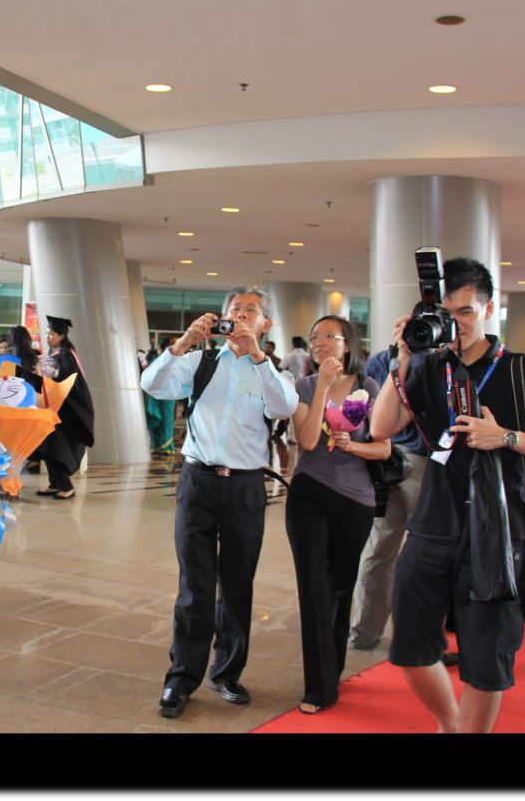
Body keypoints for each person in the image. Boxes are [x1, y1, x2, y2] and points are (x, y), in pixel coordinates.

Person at [368, 256, 525, 733]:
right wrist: (403, 357)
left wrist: (504, 437)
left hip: (498, 531)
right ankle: (450, 723)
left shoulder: (520, 370)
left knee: (485, 659)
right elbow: (381, 427)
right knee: (410, 648)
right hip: (432, 523)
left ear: (487, 309)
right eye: (445, 313)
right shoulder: (429, 367)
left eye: (465, 311)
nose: (456, 323)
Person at [140, 285, 298, 718]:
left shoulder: (272, 371)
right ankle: (181, 678)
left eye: (251, 310)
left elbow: (284, 407)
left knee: (237, 583)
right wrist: (185, 342)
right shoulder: (202, 361)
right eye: (235, 309)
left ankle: (227, 672)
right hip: (198, 481)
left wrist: (257, 356)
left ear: (265, 323)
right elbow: (152, 385)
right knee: (194, 585)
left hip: (245, 487)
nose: (241, 316)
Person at [286, 315, 389, 713]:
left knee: (341, 586)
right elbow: (308, 440)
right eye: (316, 336)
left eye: (330, 336)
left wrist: (352, 446)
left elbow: (383, 448)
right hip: (309, 494)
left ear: (348, 344)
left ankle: (333, 669)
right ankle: (319, 687)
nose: (320, 342)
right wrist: (324, 388)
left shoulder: (369, 387)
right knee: (314, 589)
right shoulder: (304, 387)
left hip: (356, 499)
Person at [348, 344, 431, 652]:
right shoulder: (438, 363)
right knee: (425, 554)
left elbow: (359, 411)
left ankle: (363, 632)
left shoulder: (382, 359)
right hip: (421, 465)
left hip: (384, 463)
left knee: (378, 550)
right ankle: (419, 637)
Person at [33, 316, 95, 499]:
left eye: (51, 334)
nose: (47, 337)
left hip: (66, 412)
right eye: (46, 333)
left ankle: (66, 486)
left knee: (55, 447)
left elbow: (64, 383)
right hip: (54, 408)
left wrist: (44, 373)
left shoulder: (66, 356)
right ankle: (55, 483)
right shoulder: (55, 355)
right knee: (47, 446)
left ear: (61, 336)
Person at [144, 337, 178, 455]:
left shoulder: (164, 359)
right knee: (163, 421)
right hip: (161, 395)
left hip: (168, 396)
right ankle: (161, 447)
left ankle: (165, 446)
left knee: (167, 421)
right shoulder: (156, 359)